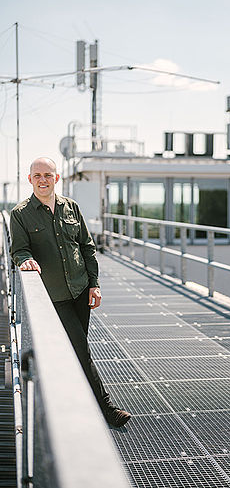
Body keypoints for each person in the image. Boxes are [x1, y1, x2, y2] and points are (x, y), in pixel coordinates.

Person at [10, 157, 131, 428]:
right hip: (54, 296)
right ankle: (107, 409)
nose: (43, 179)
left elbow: (87, 246)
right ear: (30, 179)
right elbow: (18, 249)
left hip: (79, 290)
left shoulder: (71, 207)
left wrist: (94, 284)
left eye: (48, 175)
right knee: (81, 350)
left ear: (57, 177)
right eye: (37, 175)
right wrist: (25, 260)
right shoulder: (20, 214)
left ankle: (71, 402)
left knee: (74, 351)